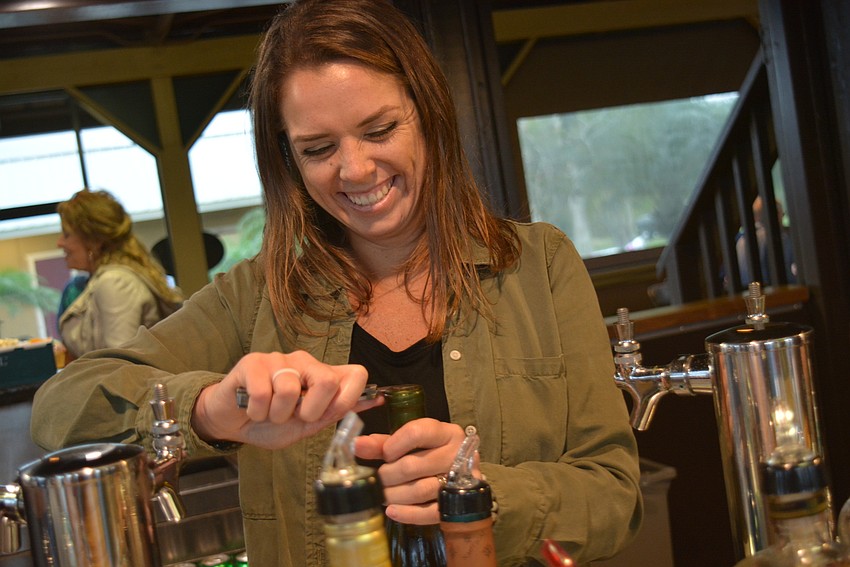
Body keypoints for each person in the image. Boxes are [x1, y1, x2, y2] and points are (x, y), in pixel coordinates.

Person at [32, 1, 642, 565]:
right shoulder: (256, 295)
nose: (354, 169)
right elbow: (62, 406)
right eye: (318, 147)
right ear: (288, 161)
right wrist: (213, 409)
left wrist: (480, 494)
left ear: (428, 115)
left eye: (379, 130)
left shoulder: (538, 265)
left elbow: (615, 497)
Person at [54, 188, 183, 360]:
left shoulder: (115, 282)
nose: (60, 243)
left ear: (93, 241)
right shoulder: (107, 279)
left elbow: (121, 365)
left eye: (67, 235)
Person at [736, 196, 797, 286]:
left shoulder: (740, 241)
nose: (782, 219)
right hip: (777, 296)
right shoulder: (777, 237)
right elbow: (788, 277)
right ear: (775, 213)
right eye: (782, 214)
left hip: (752, 297)